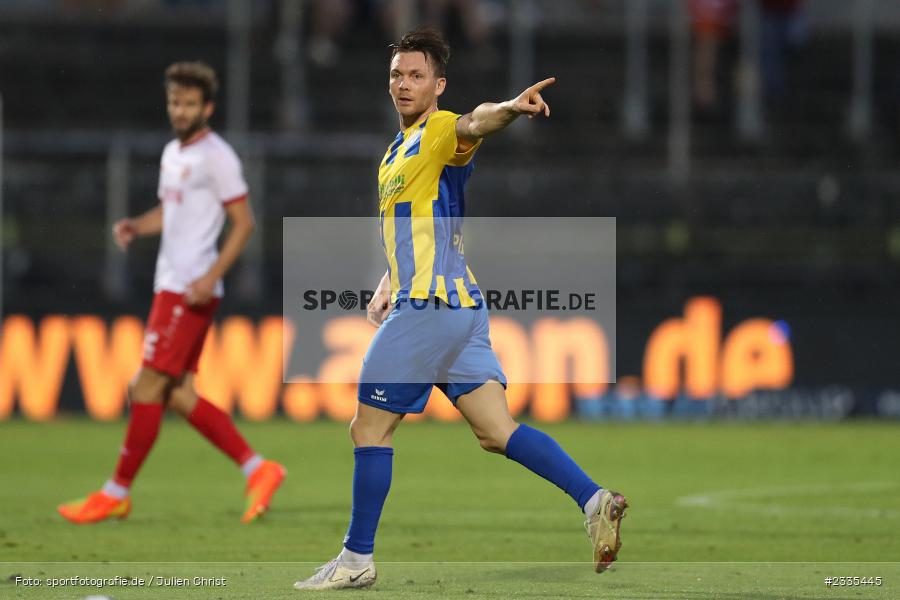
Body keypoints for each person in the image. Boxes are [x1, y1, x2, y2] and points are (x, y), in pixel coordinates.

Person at [293, 28, 626, 591]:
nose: (404, 84)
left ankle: (355, 559)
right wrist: (390, 278)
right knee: (496, 431)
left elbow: (476, 122)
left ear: (438, 85)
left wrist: (511, 108)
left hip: (430, 308)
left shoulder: (438, 131)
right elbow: (423, 223)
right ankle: (594, 500)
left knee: (368, 428)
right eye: (397, 74)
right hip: (459, 307)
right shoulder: (396, 153)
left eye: (416, 75)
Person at [57, 61, 286, 525]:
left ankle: (116, 492)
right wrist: (136, 226)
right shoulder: (173, 154)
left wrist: (211, 275)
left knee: (143, 386)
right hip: (172, 284)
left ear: (207, 108)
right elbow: (171, 211)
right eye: (174, 103)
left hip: (190, 288)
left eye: (189, 104)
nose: (180, 111)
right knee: (178, 394)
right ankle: (258, 469)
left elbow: (244, 223)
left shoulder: (217, 156)